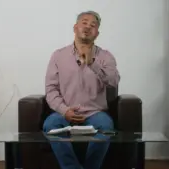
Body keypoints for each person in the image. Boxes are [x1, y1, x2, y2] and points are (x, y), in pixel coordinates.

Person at [43, 10, 120, 169]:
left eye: (93, 25)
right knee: (51, 124)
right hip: (65, 112)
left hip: (95, 113)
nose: (87, 27)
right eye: (84, 23)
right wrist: (65, 110)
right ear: (75, 27)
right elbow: (51, 90)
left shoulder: (105, 56)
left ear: (97, 33)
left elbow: (113, 81)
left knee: (106, 126)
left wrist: (93, 63)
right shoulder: (58, 55)